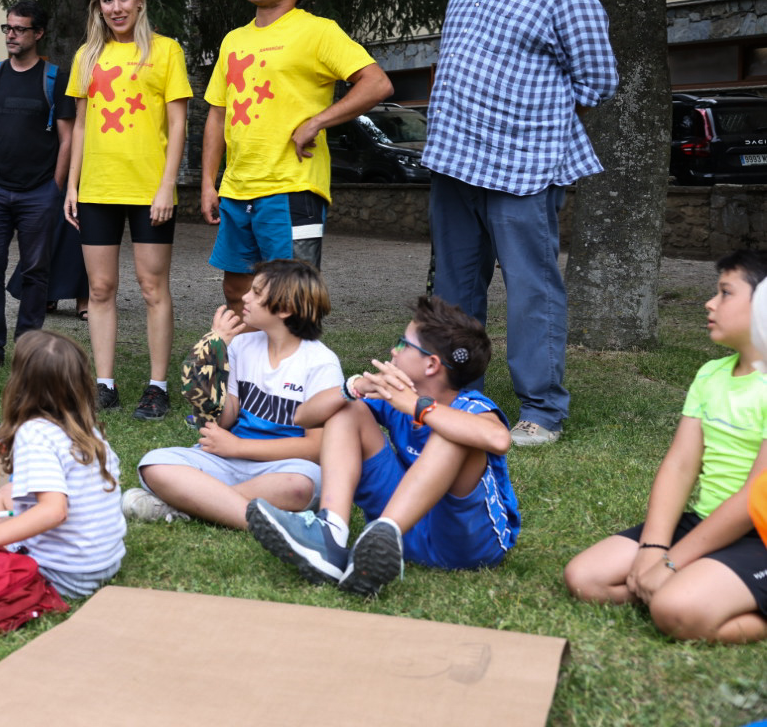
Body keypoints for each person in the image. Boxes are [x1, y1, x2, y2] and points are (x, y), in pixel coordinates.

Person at [423, 0, 618, 446]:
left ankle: (542, 410)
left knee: (532, 291)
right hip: (456, 159)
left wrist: (535, 118)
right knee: (455, 290)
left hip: (523, 166)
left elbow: (599, 79)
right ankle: (460, 396)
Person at [246, 295, 517, 597]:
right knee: (347, 409)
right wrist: (353, 387)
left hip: (466, 546)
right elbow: (303, 416)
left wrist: (417, 406)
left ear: (431, 364)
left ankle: (386, 530)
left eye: (403, 344)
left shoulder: (471, 405)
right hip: (406, 538)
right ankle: (330, 534)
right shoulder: (392, 395)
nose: (393, 350)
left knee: (453, 433)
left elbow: (498, 439)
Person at [566, 250, 767, 644]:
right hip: (706, 523)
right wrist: (653, 548)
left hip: (759, 536)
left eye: (725, 293)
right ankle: (687, 588)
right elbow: (680, 465)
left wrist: (672, 562)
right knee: (584, 578)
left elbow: (752, 498)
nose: (710, 303)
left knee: (675, 611)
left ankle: (687, 595)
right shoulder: (710, 375)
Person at [199, 0, 391, 315]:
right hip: (237, 190)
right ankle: (247, 357)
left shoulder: (317, 31)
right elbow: (218, 114)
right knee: (236, 292)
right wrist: (208, 182)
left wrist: (317, 122)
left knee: (291, 299)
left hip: (291, 188)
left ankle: (293, 358)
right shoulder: (234, 40)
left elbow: (377, 84)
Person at [123, 259, 342, 529]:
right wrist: (213, 356)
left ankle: (190, 505)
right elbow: (224, 419)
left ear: (285, 309)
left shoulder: (321, 363)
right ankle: (249, 513)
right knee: (154, 464)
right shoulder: (241, 345)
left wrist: (238, 446)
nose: (245, 297)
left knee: (301, 485)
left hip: (283, 467)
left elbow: (316, 448)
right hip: (227, 461)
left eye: (256, 293)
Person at [64, 0, 192, 420]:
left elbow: (178, 123)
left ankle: (157, 387)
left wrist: (167, 185)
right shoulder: (87, 56)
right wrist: (73, 185)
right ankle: (105, 385)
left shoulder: (166, 50)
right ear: (98, 6)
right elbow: (80, 126)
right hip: (98, 187)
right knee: (99, 288)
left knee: (153, 287)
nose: (116, 7)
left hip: (149, 189)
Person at [0, 328, 126, 599]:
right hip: (104, 563)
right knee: (7, 492)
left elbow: (54, 511)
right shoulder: (86, 430)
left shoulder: (35, 433)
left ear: (20, 385)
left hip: (60, 574)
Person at [0, 0, 74, 370]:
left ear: (38, 33)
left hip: (38, 191)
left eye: (19, 29)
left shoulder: (55, 79)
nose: (11, 35)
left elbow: (67, 138)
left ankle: (28, 345)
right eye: (7, 28)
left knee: (35, 270)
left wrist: (55, 187)